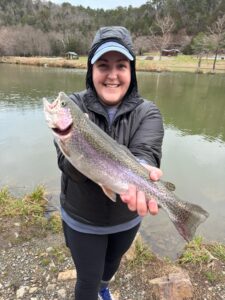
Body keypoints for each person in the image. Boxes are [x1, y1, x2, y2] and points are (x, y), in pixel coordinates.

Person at [54, 26, 164, 300]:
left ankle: (105, 286)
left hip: (126, 219)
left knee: (110, 268)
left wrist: (143, 170)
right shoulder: (74, 107)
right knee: (87, 282)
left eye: (121, 66)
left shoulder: (147, 112)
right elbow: (66, 165)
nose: (112, 75)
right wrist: (76, 142)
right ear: (91, 70)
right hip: (82, 220)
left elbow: (145, 152)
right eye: (103, 65)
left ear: (132, 71)